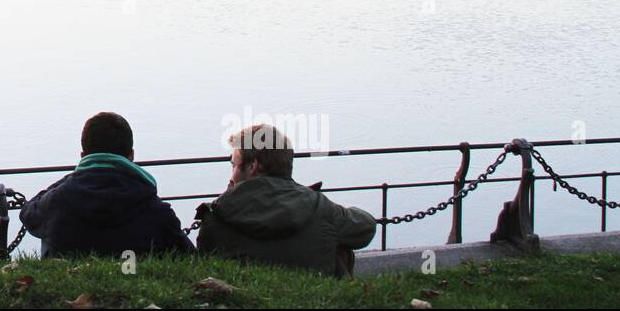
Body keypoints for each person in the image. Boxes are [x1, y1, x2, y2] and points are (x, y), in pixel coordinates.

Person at [195, 124, 375, 277]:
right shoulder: (319, 207)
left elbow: (204, 267)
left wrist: (228, 195)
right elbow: (365, 228)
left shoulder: (215, 218)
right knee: (340, 247)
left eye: (234, 165)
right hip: (312, 300)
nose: (232, 174)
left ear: (253, 166)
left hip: (245, 299)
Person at [19, 112, 193, 258]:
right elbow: (190, 258)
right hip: (132, 287)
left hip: (64, 293)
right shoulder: (158, 211)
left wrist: (73, 176)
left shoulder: (55, 202)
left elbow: (27, 214)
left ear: (82, 155)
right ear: (131, 156)